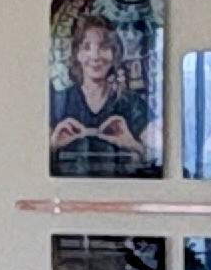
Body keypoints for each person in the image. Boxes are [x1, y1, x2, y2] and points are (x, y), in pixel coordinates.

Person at [49, 11, 154, 173]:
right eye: (87, 47)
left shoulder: (132, 104)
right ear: (77, 53)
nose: (95, 55)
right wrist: (52, 145)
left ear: (115, 53)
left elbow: (160, 158)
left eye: (104, 47)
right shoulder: (58, 101)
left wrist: (134, 146)